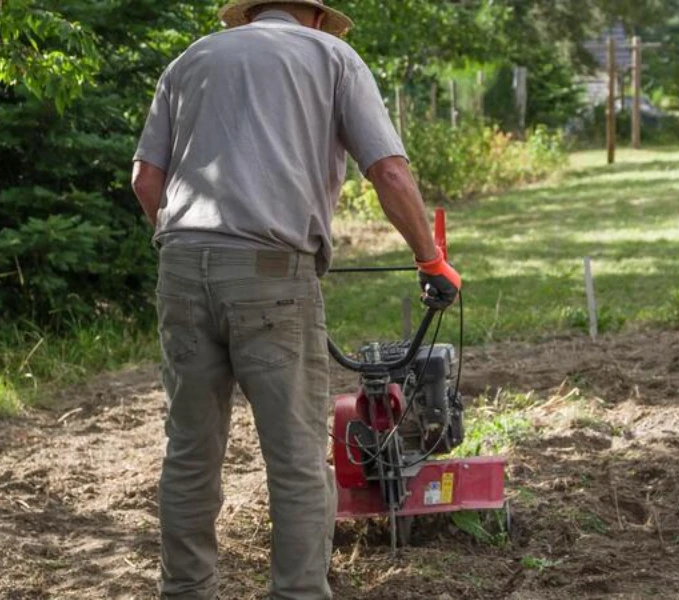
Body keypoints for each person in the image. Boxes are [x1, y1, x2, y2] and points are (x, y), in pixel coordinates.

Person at [130, 1, 462, 598]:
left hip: (179, 263)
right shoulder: (332, 56)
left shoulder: (190, 59)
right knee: (297, 459)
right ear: (314, 16)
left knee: (189, 452)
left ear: (251, 13)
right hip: (271, 271)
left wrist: (192, 249)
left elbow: (144, 180)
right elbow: (387, 171)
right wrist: (430, 260)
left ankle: (184, 591)